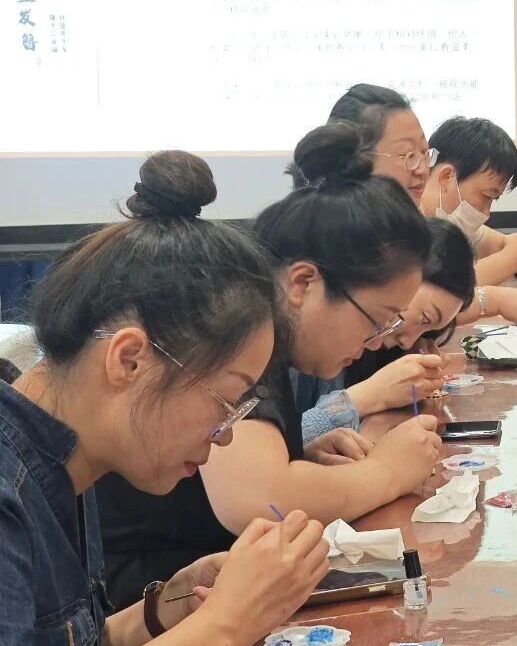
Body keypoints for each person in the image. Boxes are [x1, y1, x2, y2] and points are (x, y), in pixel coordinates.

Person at [0, 151, 328, 646]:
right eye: (226, 401)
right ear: (129, 359)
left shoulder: (63, 461)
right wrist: (222, 626)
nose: (225, 435)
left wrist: (165, 610)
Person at [100, 123, 443, 608]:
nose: (375, 342)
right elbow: (256, 499)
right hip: (135, 601)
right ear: (303, 282)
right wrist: (387, 472)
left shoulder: (260, 321)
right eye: (377, 320)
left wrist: (296, 450)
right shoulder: (235, 326)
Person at [327, 84, 517, 291]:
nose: (422, 169)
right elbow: (422, 297)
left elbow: (507, 243)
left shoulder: (416, 221)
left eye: (424, 153)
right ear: (357, 159)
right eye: (407, 154)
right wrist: (495, 295)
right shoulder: (348, 230)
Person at [298, 216, 477, 443]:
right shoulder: (296, 332)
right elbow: (271, 446)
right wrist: (371, 395)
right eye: (424, 319)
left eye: (427, 331)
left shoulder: (369, 345)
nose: (406, 341)